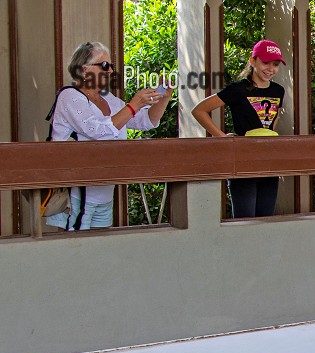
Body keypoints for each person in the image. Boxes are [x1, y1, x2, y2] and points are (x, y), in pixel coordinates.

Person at [44, 42, 170, 230]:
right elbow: (96, 130)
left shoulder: (108, 99)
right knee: (77, 251)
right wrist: (134, 104)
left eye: (111, 66)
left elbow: (145, 122)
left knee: (100, 251)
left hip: (104, 190)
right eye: (104, 66)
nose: (110, 71)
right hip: (78, 194)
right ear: (84, 69)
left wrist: (164, 96)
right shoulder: (69, 96)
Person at [192, 40, 287, 218]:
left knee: (266, 221)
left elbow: (272, 122)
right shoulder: (238, 89)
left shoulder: (278, 91)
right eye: (265, 62)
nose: (270, 68)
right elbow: (199, 110)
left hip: (269, 162)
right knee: (244, 222)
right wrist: (222, 137)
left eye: (275, 64)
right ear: (253, 61)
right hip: (242, 161)